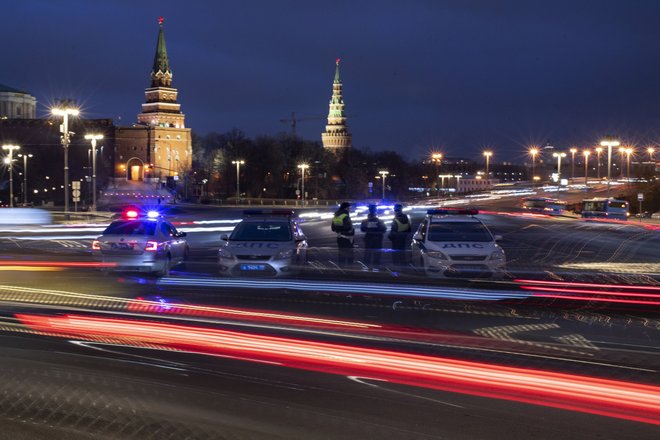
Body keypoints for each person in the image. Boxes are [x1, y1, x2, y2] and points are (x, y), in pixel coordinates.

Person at [360, 204, 386, 271]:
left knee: (367, 254)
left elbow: (363, 229)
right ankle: (375, 268)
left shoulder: (365, 221)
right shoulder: (379, 221)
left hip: (369, 239)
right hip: (377, 239)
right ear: (375, 211)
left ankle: (366, 267)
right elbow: (384, 229)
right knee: (376, 254)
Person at [331, 202, 355, 267]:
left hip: (340, 238)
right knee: (349, 256)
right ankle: (350, 271)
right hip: (347, 238)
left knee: (341, 256)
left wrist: (340, 231)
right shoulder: (345, 216)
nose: (350, 209)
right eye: (349, 208)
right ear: (346, 208)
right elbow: (347, 227)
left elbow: (334, 228)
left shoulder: (337, 215)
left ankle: (342, 270)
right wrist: (351, 229)